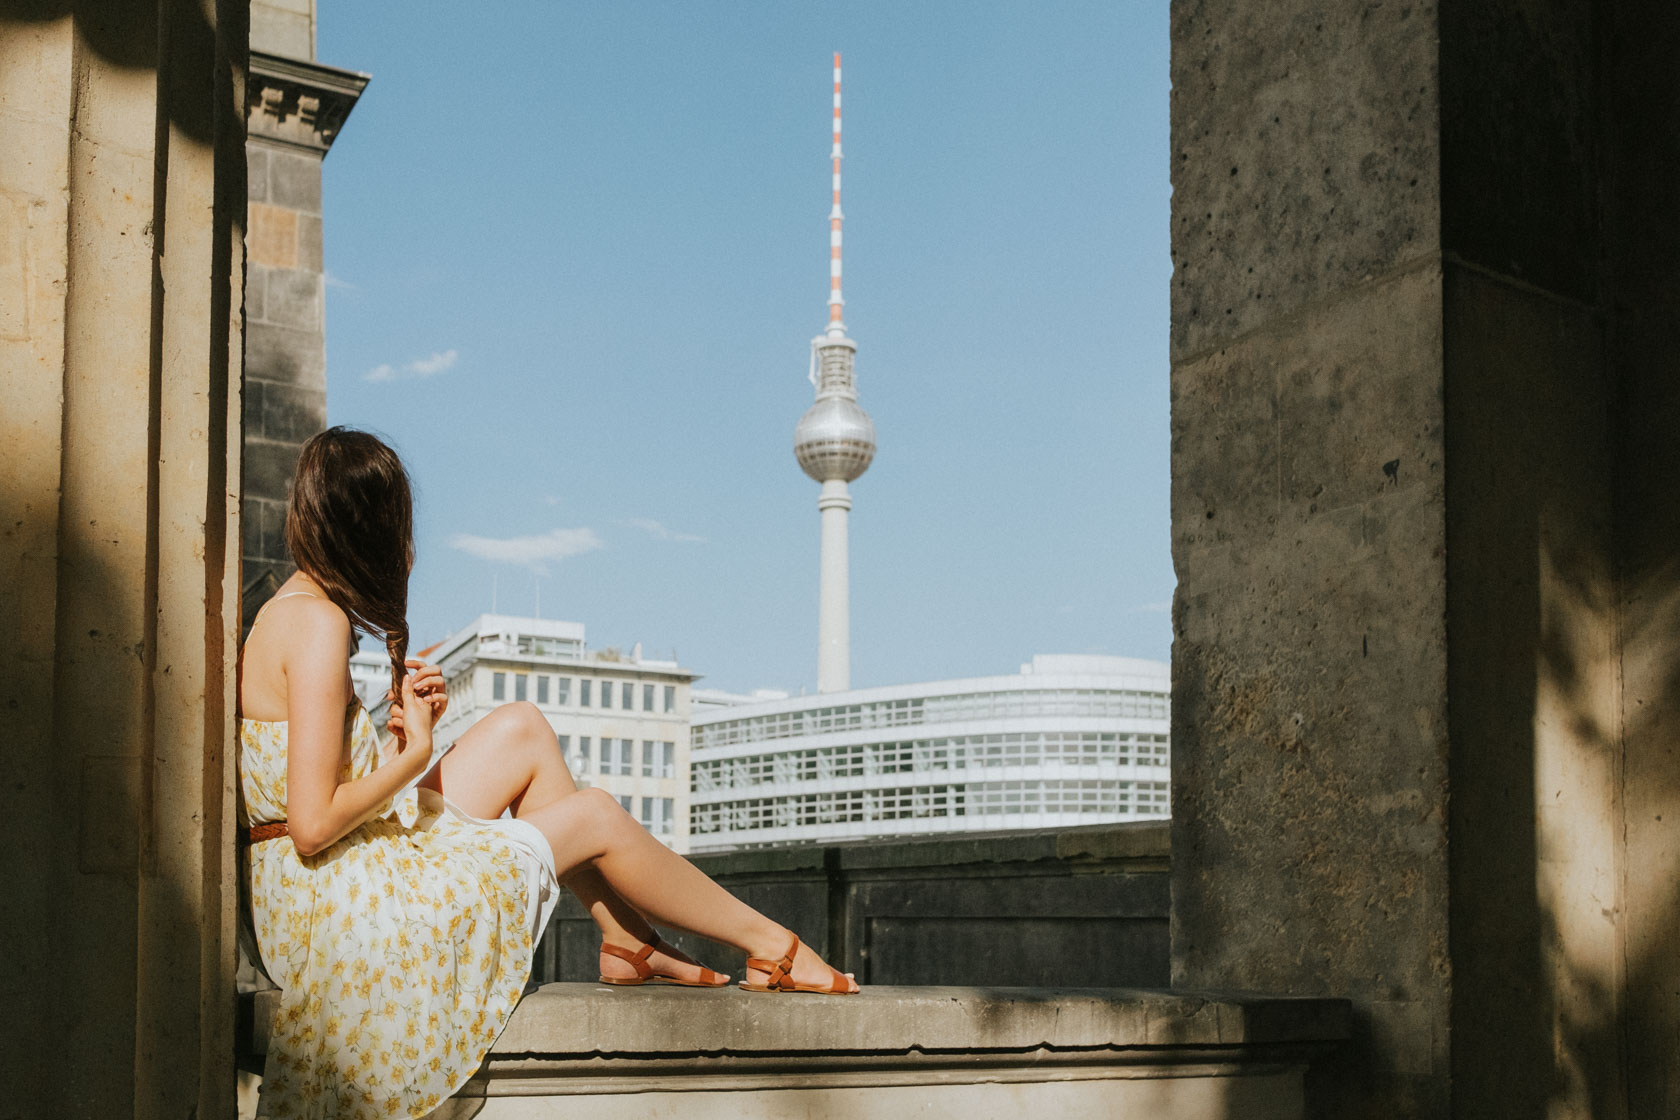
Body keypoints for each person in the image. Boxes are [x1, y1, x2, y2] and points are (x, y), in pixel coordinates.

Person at [239, 427, 856, 1120]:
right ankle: (774, 947)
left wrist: (409, 732)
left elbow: (309, 793)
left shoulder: (289, 610)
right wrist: (414, 757)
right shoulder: (318, 624)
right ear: (370, 528)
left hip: (315, 881)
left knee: (522, 729)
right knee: (592, 815)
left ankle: (628, 941)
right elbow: (314, 822)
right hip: (335, 906)